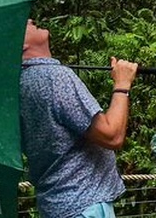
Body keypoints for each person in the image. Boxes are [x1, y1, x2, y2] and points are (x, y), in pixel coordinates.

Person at [20, 19, 138, 218]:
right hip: (83, 206)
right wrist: (122, 84)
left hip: (57, 207)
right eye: (24, 23)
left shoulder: (19, 84)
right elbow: (112, 135)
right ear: (21, 45)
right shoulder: (53, 78)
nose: (30, 20)